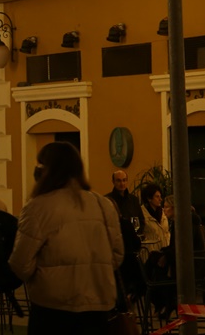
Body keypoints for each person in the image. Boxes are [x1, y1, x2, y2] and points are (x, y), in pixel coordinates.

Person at [9, 142, 124, 335]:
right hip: (98, 306)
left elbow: (21, 264)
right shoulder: (103, 204)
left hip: (52, 309)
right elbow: (117, 255)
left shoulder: (37, 208)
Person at [140, 183, 171, 254]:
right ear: (149, 198)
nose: (160, 199)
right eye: (157, 197)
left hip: (164, 251)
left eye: (160, 196)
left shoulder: (163, 212)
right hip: (150, 252)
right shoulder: (142, 213)